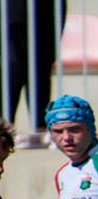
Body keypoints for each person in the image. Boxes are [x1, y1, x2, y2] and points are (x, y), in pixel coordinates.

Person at [0, 1, 64, 148]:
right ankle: (4, 127)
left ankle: (40, 126)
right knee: (13, 64)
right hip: (14, 10)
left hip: (47, 9)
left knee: (41, 63)